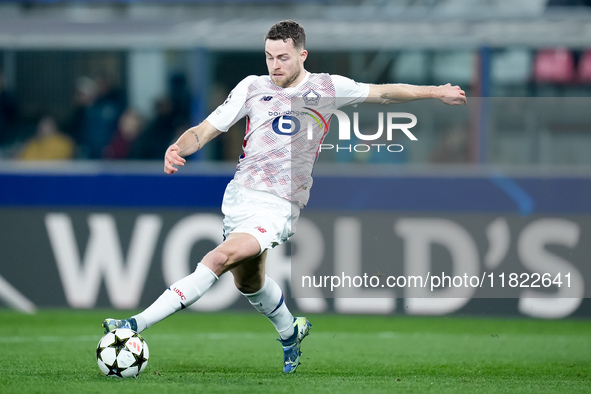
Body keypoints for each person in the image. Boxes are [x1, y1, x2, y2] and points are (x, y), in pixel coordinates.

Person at [102, 20, 466, 374]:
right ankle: (290, 331)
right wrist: (177, 147)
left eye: (283, 58)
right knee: (248, 282)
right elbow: (206, 129)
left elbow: (383, 92)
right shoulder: (252, 87)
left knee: (220, 257)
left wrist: (436, 91)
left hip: (279, 205)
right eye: (269, 57)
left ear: (302, 54)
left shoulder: (327, 87)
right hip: (240, 198)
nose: (275, 66)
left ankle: (135, 323)